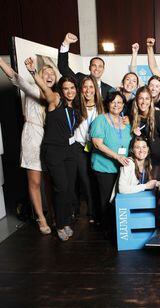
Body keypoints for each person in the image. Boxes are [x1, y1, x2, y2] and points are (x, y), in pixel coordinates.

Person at [25, 57, 81, 241]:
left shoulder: (75, 108)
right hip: (54, 151)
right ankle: (60, 224)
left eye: (72, 88)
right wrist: (34, 73)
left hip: (70, 151)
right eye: (66, 88)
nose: (70, 91)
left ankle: (64, 220)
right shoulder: (55, 100)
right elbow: (46, 91)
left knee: (69, 189)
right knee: (61, 187)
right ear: (61, 90)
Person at [0, 57, 55, 234]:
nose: (49, 75)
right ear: (39, 75)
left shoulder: (54, 96)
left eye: (51, 74)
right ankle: (41, 218)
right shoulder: (31, 89)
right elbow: (15, 76)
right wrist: (1, 62)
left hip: (49, 139)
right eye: (45, 73)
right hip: (32, 136)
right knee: (35, 181)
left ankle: (54, 214)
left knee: (50, 181)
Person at [90, 91, 132, 233]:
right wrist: (116, 157)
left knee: (118, 200)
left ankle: (117, 229)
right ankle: (106, 231)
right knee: (106, 200)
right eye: (113, 102)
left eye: (119, 102)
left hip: (121, 169)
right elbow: (97, 144)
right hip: (104, 168)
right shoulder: (100, 120)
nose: (116, 105)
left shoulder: (125, 122)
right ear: (108, 103)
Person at [73, 75, 104, 223]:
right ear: (81, 89)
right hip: (80, 148)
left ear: (96, 89)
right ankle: (92, 213)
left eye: (91, 87)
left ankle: (100, 212)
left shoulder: (101, 107)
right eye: (85, 87)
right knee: (86, 181)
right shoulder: (76, 106)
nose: (88, 90)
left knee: (96, 180)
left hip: (97, 148)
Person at [58, 33, 113, 99]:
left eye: (100, 66)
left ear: (103, 69)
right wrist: (66, 43)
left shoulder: (109, 90)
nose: (97, 69)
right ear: (89, 67)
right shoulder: (79, 79)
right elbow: (63, 68)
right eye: (94, 65)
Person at [130, 86, 160, 179]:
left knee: (152, 188)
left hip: (156, 159)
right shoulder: (132, 116)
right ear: (136, 100)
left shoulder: (157, 115)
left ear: (150, 101)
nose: (144, 102)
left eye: (147, 98)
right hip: (140, 158)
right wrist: (134, 134)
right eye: (141, 98)